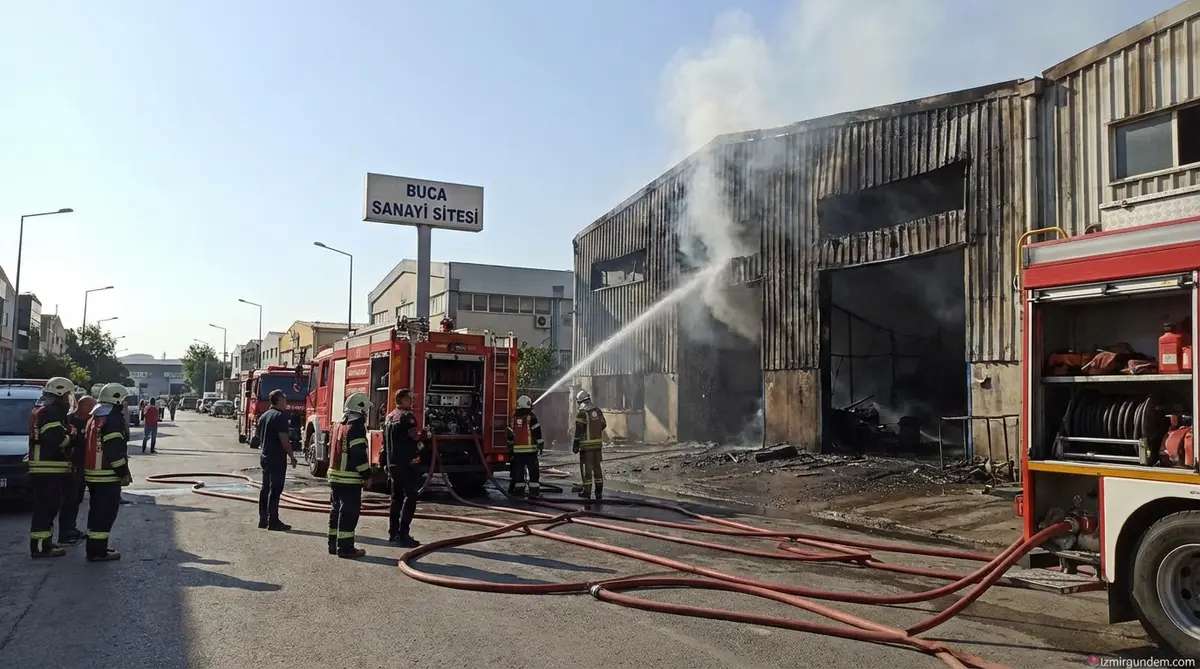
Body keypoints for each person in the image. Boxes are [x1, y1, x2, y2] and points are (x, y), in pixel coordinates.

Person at [28, 377, 76, 558]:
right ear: (60, 394)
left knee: (47, 506)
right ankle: (41, 547)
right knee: (46, 507)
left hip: (45, 466)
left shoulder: (43, 409)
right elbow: (54, 439)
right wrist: (71, 437)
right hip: (47, 467)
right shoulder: (52, 412)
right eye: (67, 395)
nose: (68, 399)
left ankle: (45, 543)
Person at [84, 383, 132, 561]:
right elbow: (113, 451)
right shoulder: (112, 420)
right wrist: (123, 473)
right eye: (124, 401)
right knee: (104, 515)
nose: (124, 405)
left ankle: (95, 548)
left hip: (93, 474)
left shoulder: (95, 416)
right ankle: (98, 552)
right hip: (107, 476)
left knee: (96, 513)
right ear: (117, 399)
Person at [326, 392, 373, 558]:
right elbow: (358, 454)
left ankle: (333, 544)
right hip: (349, 479)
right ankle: (345, 548)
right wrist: (367, 475)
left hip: (334, 476)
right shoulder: (357, 428)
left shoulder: (338, 425)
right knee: (349, 513)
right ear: (360, 411)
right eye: (366, 411)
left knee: (336, 510)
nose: (366, 415)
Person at [383, 388, 425, 547]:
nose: (412, 401)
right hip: (407, 464)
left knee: (396, 498)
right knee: (410, 497)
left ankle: (393, 533)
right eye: (409, 398)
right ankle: (404, 533)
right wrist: (425, 435)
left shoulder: (389, 416)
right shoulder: (407, 417)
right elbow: (414, 436)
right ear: (402, 400)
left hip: (392, 464)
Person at [255, 388, 297, 530]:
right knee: (276, 488)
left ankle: (263, 519)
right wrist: (291, 455)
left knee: (265, 488)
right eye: (284, 400)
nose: (286, 403)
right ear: (278, 400)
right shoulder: (280, 416)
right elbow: (284, 440)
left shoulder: (264, 416)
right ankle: (273, 521)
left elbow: (258, 437)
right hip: (277, 458)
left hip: (265, 457)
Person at [58, 395, 97, 545]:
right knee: (70, 500)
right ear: (83, 407)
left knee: (77, 499)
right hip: (72, 467)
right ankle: (65, 532)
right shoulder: (69, 421)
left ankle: (71, 528)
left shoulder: (89, 422)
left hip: (84, 466)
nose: (92, 411)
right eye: (91, 408)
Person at [506, 395, 544, 498]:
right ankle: (534, 493)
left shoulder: (514, 418)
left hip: (517, 453)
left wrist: (510, 447)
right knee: (533, 473)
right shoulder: (531, 417)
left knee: (518, 473)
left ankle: (519, 493)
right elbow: (537, 432)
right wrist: (540, 444)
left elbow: (510, 434)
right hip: (531, 452)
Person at [573, 389, 607, 500]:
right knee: (597, 468)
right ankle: (598, 492)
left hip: (586, 448)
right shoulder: (597, 410)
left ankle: (587, 492)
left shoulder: (582, 413)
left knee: (586, 470)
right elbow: (603, 425)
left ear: (580, 401)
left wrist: (575, 444)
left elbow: (578, 431)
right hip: (597, 446)